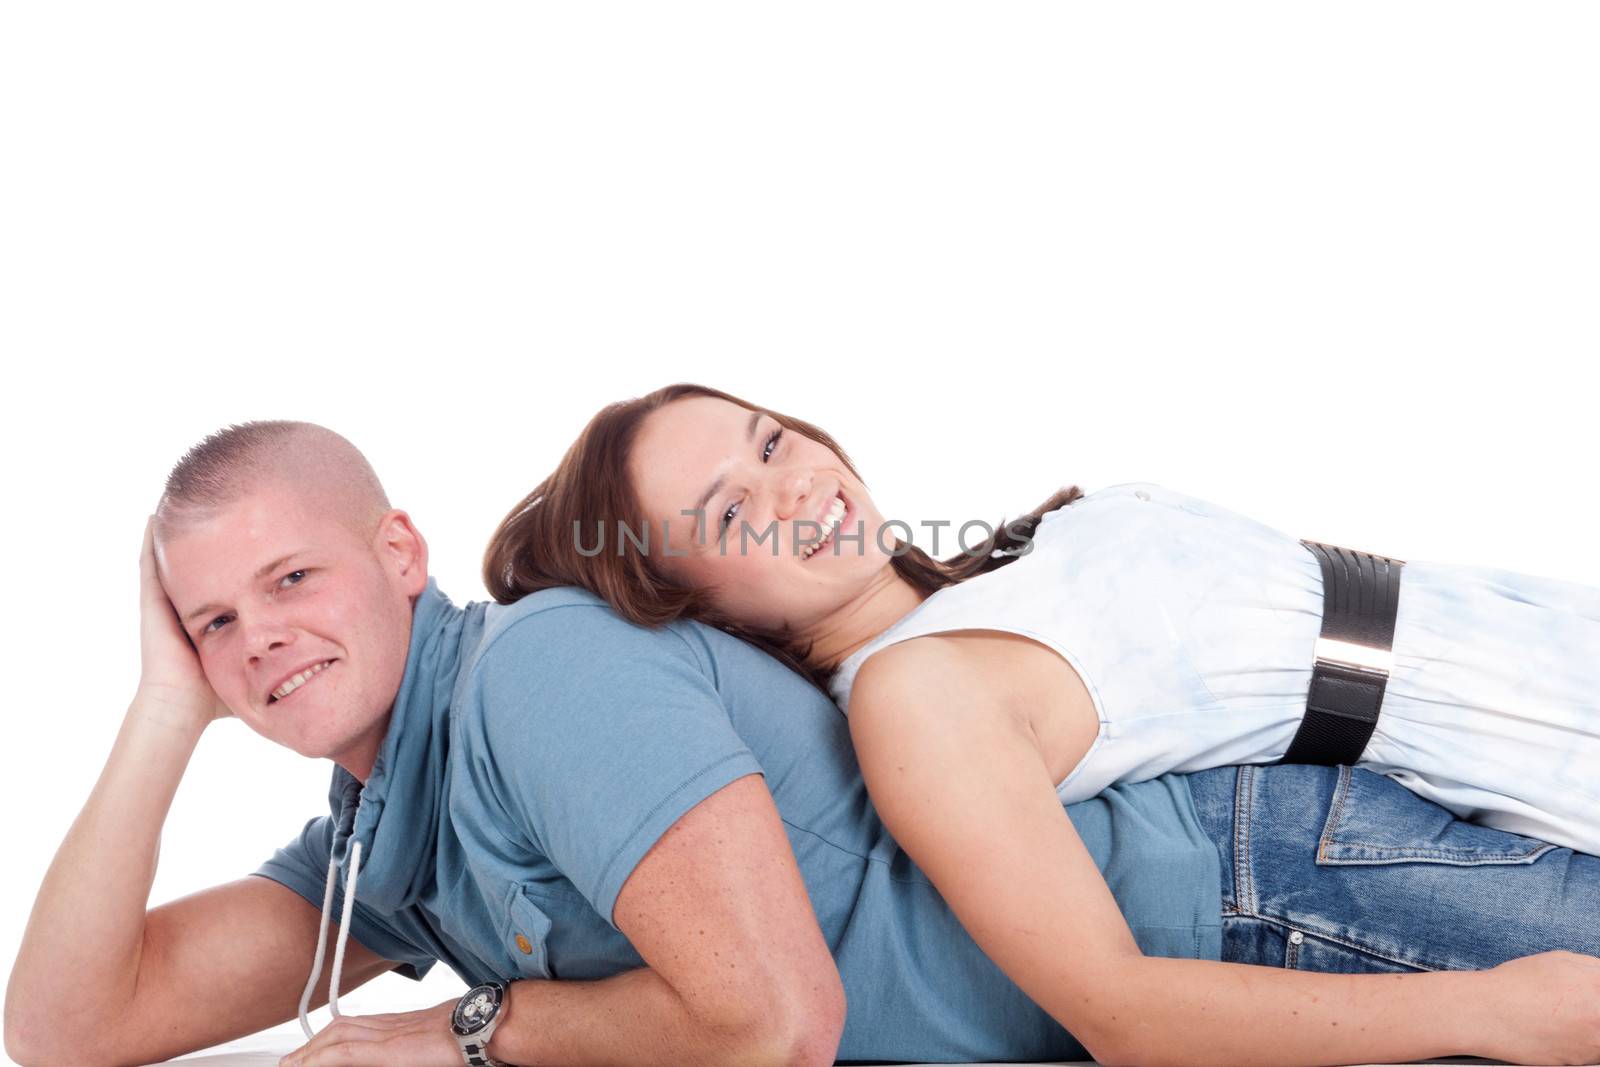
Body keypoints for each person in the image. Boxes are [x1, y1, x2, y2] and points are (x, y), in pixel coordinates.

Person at [6, 421, 1600, 1067]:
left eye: (293, 578)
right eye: (216, 620)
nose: (261, 635)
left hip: (1256, 895)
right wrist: (161, 708)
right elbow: (66, 1030)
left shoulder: (535, 677)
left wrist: (468, 1034)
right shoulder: (388, 842)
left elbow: (776, 1020)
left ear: (401, 553)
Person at [483, 382, 1600, 1062]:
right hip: (1504, 782)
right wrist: (1505, 1010)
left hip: (1543, 656)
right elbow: (1120, 1008)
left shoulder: (993, 575)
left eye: (771, 442)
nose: (789, 488)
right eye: (729, 511)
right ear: (694, 604)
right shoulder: (907, 695)